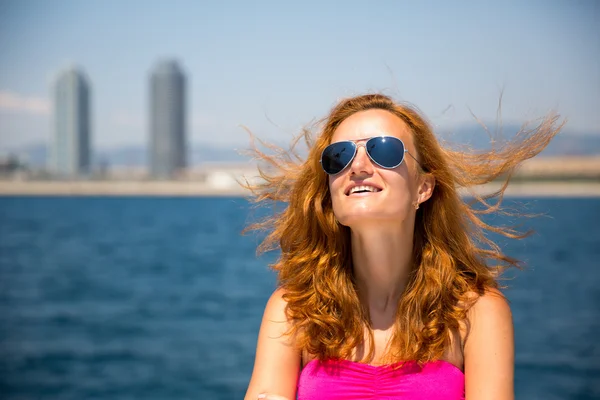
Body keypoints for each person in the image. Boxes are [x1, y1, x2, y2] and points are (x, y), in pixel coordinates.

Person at [243, 93, 562, 400]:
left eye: (383, 150)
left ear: (423, 187)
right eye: (339, 156)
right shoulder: (293, 309)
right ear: (329, 190)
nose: (357, 167)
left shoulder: (477, 312)